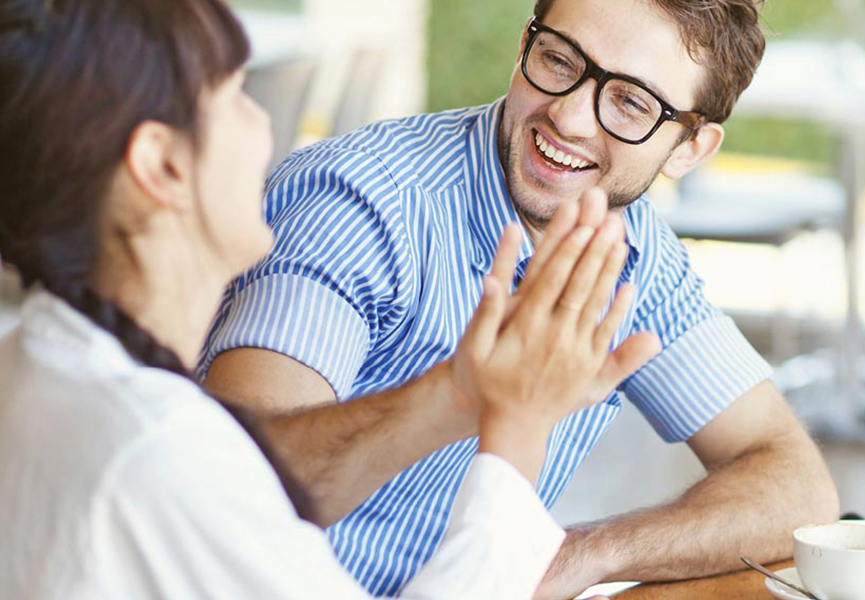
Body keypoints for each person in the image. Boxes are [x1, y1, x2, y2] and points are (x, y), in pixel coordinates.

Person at [0, 0, 660, 598]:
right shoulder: (160, 454)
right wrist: (520, 426)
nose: (265, 126)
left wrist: (466, 390)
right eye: (236, 95)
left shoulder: (38, 365)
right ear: (162, 164)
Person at [201, 0, 840, 598]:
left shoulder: (635, 249)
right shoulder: (362, 202)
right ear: (524, 45)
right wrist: (459, 395)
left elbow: (794, 484)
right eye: (559, 60)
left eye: (630, 102)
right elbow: (233, 482)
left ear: (690, 147)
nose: (568, 116)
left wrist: (575, 556)